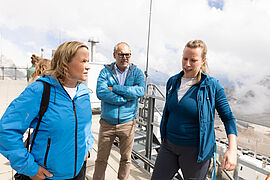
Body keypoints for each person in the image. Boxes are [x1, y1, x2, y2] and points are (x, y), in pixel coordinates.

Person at [0, 41, 94, 180]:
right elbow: (7, 130)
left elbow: (86, 128)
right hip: (47, 176)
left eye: (88, 61)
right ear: (65, 63)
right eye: (83, 61)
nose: (88, 66)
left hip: (78, 173)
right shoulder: (40, 90)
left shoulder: (84, 93)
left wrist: (87, 148)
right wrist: (29, 167)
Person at [151, 40, 238, 180]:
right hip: (168, 146)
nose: (187, 64)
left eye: (193, 60)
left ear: (203, 61)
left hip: (195, 153)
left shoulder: (212, 86)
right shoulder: (173, 82)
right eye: (185, 58)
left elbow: (228, 118)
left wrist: (232, 149)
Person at [93, 42, 145, 180]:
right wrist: (125, 99)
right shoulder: (105, 71)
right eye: (121, 54)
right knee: (101, 159)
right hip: (107, 123)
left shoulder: (137, 72)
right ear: (114, 55)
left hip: (128, 122)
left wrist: (115, 88)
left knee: (126, 159)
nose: (125, 57)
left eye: (127, 54)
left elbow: (140, 91)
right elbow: (101, 92)